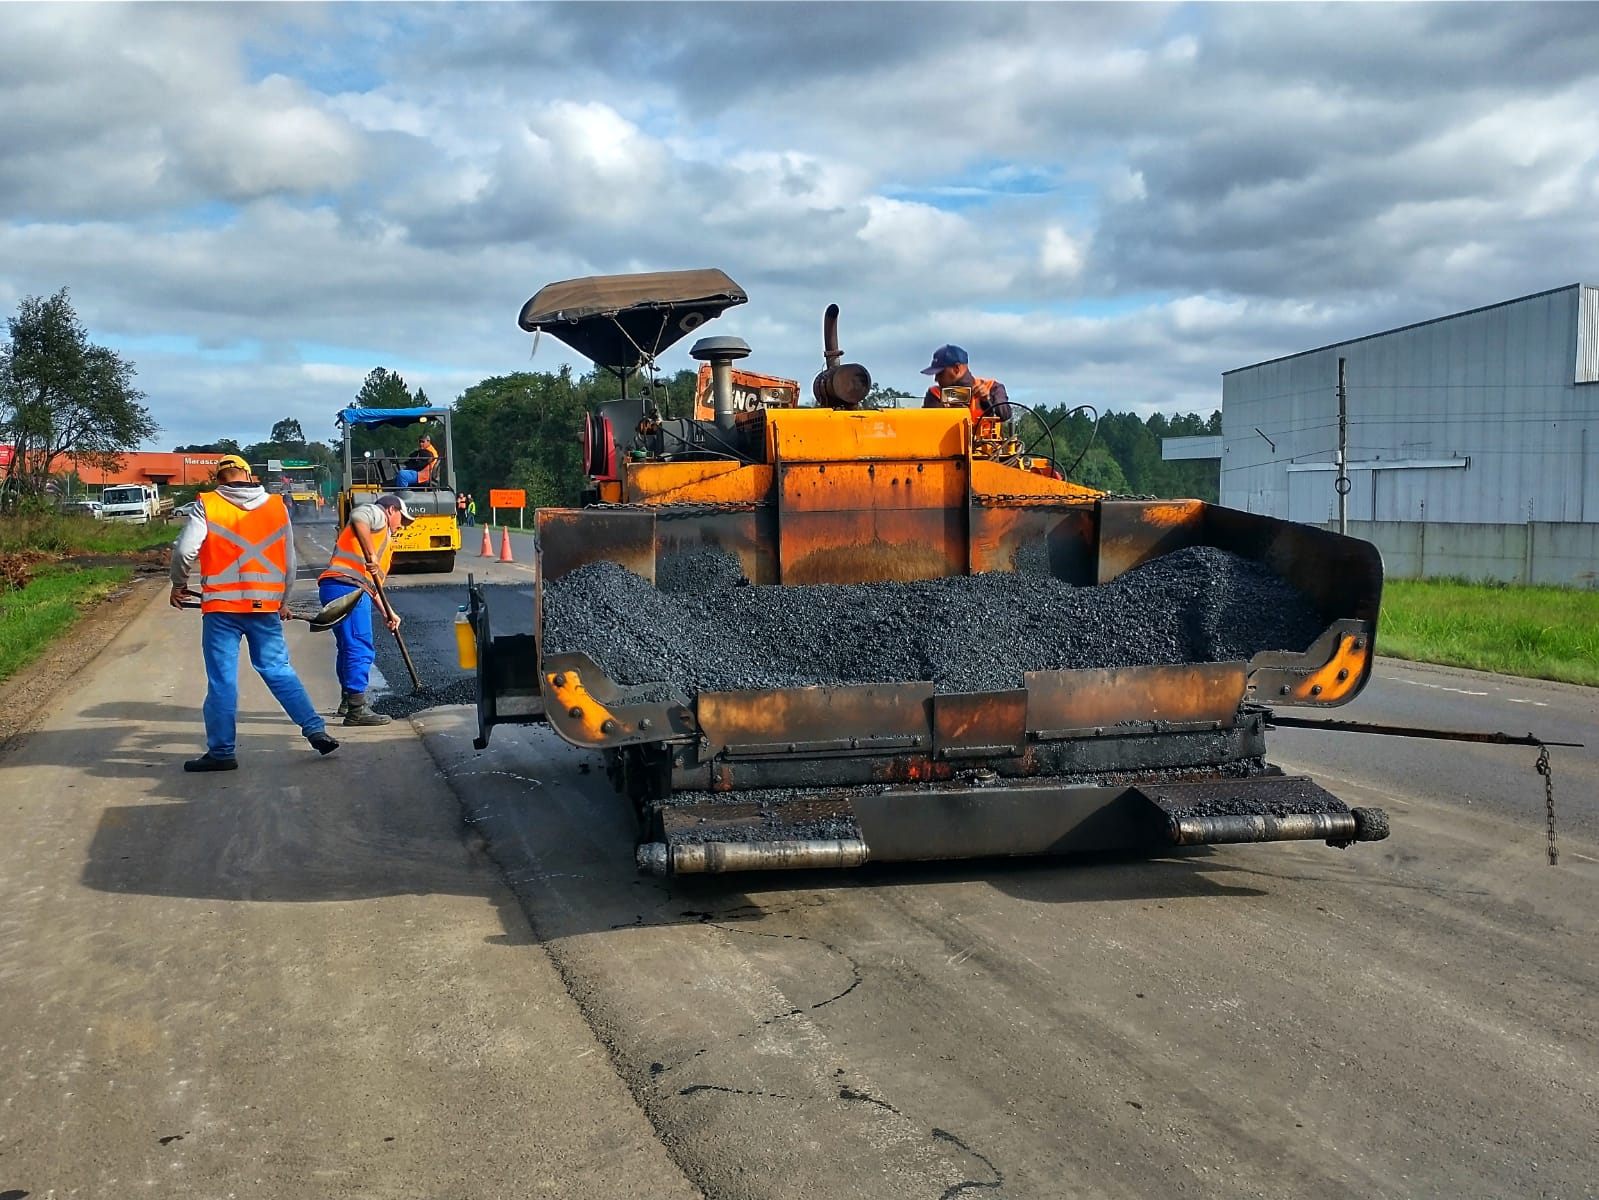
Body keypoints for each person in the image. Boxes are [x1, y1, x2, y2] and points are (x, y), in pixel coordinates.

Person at [169, 454, 339, 771]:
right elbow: (289, 563)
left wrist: (179, 584)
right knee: (278, 669)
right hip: (265, 609)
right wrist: (282, 600)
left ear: (219, 479)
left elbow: (184, 550)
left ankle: (221, 752)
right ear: (249, 476)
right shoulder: (276, 506)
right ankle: (315, 729)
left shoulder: (208, 503)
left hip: (221, 610)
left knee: (222, 682)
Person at [317, 493, 413, 726]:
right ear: (392, 510)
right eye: (402, 518)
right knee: (359, 646)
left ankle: (348, 701)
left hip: (342, 586)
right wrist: (371, 554)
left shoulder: (383, 539)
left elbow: (372, 587)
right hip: (346, 587)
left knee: (347, 647)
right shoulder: (377, 514)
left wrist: (387, 611)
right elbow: (358, 515)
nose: (402, 525)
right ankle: (357, 709)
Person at [919, 344, 1012, 422]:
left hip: (986, 444)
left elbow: (1005, 415)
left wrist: (986, 400)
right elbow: (930, 424)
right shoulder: (936, 394)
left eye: (940, 373)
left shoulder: (992, 387)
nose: (936, 379)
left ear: (956, 369)